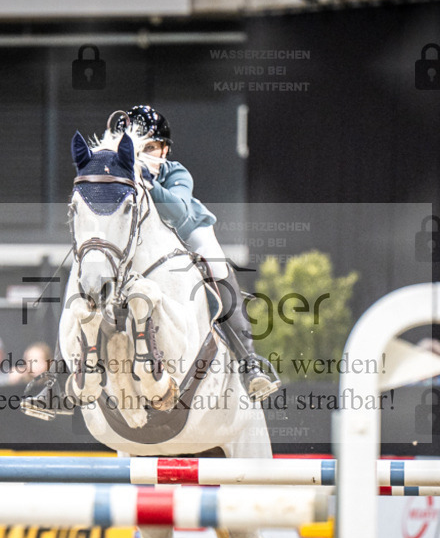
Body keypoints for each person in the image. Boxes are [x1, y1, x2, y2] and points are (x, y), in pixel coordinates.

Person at [22, 105, 280, 420]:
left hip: (188, 231)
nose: (144, 154)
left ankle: (249, 362)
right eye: (139, 148)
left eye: (152, 148)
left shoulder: (175, 173)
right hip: (136, 245)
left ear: (164, 149)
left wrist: (148, 182)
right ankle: (59, 380)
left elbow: (180, 214)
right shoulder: (117, 172)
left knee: (218, 266)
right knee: (79, 276)